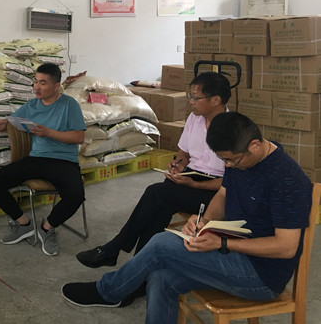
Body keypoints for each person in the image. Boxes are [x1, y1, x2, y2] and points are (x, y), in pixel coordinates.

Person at [61, 112, 312, 324]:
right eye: (223, 160)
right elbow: (223, 195)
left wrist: (222, 243)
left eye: (230, 160)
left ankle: (108, 291)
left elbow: (286, 247)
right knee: (161, 277)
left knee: (161, 244)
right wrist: (204, 221)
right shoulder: (240, 158)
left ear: (254, 145)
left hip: (260, 276)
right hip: (232, 251)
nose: (228, 166)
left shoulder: (287, 180)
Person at [76, 72, 230, 281]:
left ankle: (116, 249)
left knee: (156, 194)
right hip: (191, 177)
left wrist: (193, 184)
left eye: (196, 97)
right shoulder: (194, 118)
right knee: (159, 205)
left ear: (215, 100)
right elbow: (184, 152)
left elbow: (231, 184)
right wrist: (178, 164)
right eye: (190, 96)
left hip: (214, 192)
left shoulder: (232, 129)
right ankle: (140, 269)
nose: (191, 102)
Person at [0, 63, 86, 257]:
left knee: (76, 195)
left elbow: (78, 137)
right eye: (35, 82)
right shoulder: (31, 105)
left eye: (43, 83)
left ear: (56, 86)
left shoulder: (69, 105)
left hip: (63, 160)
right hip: (37, 159)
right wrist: (3, 122)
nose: (37, 87)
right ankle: (23, 225)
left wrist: (48, 133)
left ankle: (47, 228)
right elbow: (14, 119)